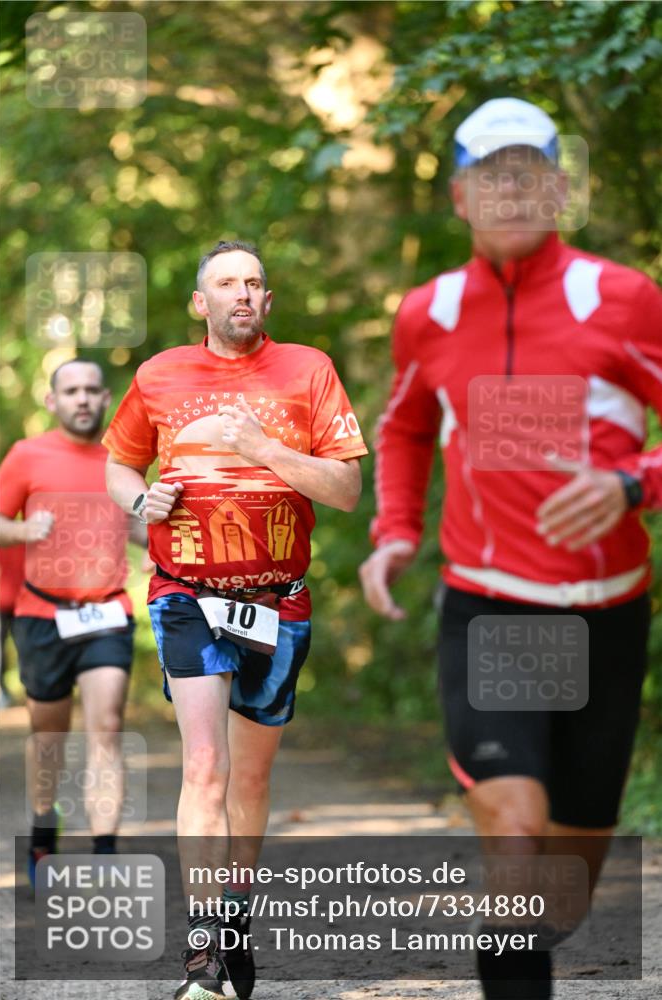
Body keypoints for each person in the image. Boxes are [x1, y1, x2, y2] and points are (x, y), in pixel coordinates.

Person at [359, 97, 662, 999]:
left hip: (604, 612)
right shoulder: (429, 313)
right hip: (489, 604)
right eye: (492, 173)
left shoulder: (621, 298)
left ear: (560, 188)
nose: (512, 187)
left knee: (561, 880)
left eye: (530, 169)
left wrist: (631, 483)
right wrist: (396, 533)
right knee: (517, 842)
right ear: (459, 195)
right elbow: (405, 427)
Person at [103, 240, 367, 1000]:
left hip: (277, 599)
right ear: (201, 302)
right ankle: (202, 958)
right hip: (184, 593)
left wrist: (259, 445)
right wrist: (135, 501)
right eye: (226, 283)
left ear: (267, 300)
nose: (242, 293)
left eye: (254, 282)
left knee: (248, 780)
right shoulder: (158, 376)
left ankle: (235, 918)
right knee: (205, 769)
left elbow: (345, 489)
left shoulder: (307, 370)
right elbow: (121, 463)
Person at [0, 359, 146, 884]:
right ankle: (43, 835)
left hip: (107, 612)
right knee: (49, 736)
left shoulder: (123, 458)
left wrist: (167, 547)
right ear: (52, 401)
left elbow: (134, 522)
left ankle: (105, 853)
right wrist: (24, 531)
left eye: (91, 390)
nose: (82, 399)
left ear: (107, 398)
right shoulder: (26, 456)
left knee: (106, 726)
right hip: (42, 615)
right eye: (71, 390)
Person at [0, 543, 25, 707]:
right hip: (3, 604)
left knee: (25, 649)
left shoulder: (24, 541)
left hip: (22, 604)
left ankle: (30, 689)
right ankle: (4, 692)